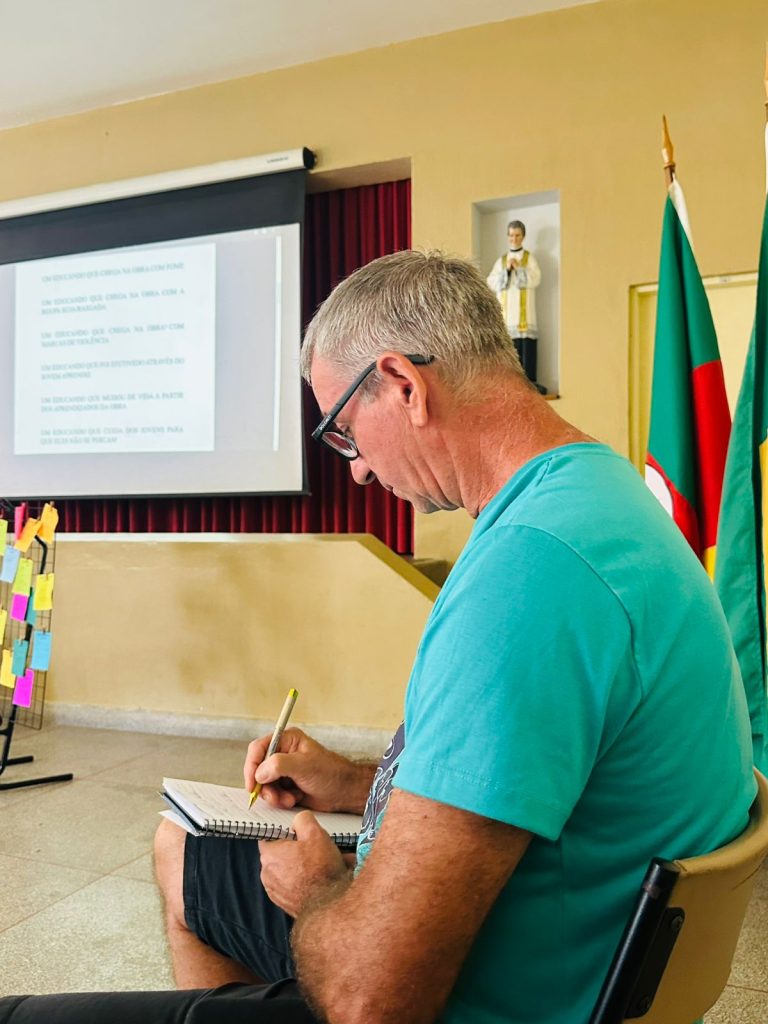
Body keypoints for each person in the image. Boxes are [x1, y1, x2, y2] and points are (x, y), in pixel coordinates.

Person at [0, 251, 756, 1024]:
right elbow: (534, 778)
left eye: (343, 431)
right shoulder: (601, 501)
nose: (357, 470)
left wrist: (321, 894)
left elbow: (371, 1001)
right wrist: (357, 785)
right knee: (188, 844)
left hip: (480, 996)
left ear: (402, 384)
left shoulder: (528, 572)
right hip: (572, 952)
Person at [486, 219, 542, 385]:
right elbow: (490, 282)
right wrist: (507, 271)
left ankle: (528, 382)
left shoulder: (529, 258)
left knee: (525, 346)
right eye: (511, 235)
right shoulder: (502, 261)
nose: (514, 239)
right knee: (507, 346)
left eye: (517, 235)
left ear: (523, 237)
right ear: (507, 236)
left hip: (524, 313)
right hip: (507, 314)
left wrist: (520, 269)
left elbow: (536, 279)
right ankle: (508, 382)